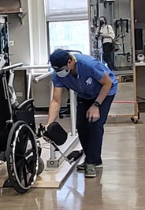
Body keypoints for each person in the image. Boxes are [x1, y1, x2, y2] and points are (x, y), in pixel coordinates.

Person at [47, 48, 119, 179]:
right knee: (81, 126)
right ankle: (93, 158)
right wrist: (49, 124)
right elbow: (56, 100)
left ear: (70, 62)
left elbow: (107, 83)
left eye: (61, 69)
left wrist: (96, 105)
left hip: (105, 91)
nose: (59, 73)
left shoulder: (88, 65)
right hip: (85, 94)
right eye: (56, 70)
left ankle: (91, 162)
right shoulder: (58, 75)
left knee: (94, 123)